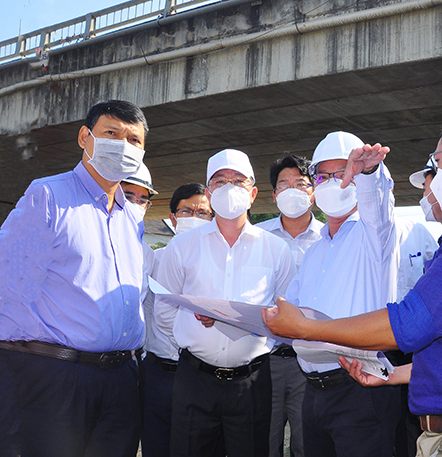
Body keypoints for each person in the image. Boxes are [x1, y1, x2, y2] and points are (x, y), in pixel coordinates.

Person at [263, 108, 442, 457]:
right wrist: (395, 375)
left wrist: (307, 328)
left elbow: (412, 322)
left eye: (437, 163)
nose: (435, 176)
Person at [0, 100, 149, 457]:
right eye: (111, 134)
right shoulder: (49, 196)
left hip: (120, 378)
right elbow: (10, 286)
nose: (123, 146)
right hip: (55, 375)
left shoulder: (131, 218)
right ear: (85, 137)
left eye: (134, 140)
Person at [154, 148, 296, 457]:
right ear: (208, 192)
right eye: (220, 181)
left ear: (253, 192)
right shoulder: (182, 246)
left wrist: (251, 322)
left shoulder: (276, 249)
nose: (229, 188)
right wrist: (192, 326)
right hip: (195, 379)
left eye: (238, 181)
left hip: (252, 381)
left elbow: (287, 318)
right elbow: (164, 313)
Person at [282, 131, 401, 457]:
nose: (333, 183)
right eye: (324, 176)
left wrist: (367, 172)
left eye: (341, 173)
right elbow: (291, 312)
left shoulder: (375, 235)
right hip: (315, 393)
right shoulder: (315, 251)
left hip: (360, 389)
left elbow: (377, 202)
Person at [256, 154, 324, 457]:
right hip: (264, 359)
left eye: (301, 183)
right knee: (263, 442)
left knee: (306, 442)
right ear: (274, 195)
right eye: (284, 184)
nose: (293, 190)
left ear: (314, 191)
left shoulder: (329, 237)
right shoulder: (258, 238)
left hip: (310, 359)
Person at [139, 181, 212, 457]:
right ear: (172, 217)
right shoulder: (154, 261)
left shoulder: (220, 267)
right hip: (159, 374)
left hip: (200, 374)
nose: (194, 218)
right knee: (157, 446)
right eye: (186, 211)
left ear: (212, 218)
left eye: (202, 213)